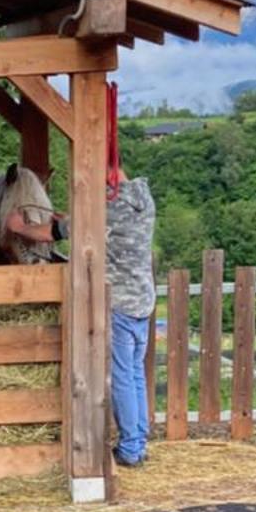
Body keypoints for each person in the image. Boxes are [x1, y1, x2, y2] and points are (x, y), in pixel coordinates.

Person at [106, 175, 156, 467]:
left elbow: (61, 231)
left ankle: (128, 449)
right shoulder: (142, 198)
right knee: (135, 373)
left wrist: (20, 226)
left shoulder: (110, 207)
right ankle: (138, 442)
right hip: (142, 301)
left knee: (122, 377)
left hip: (120, 303)